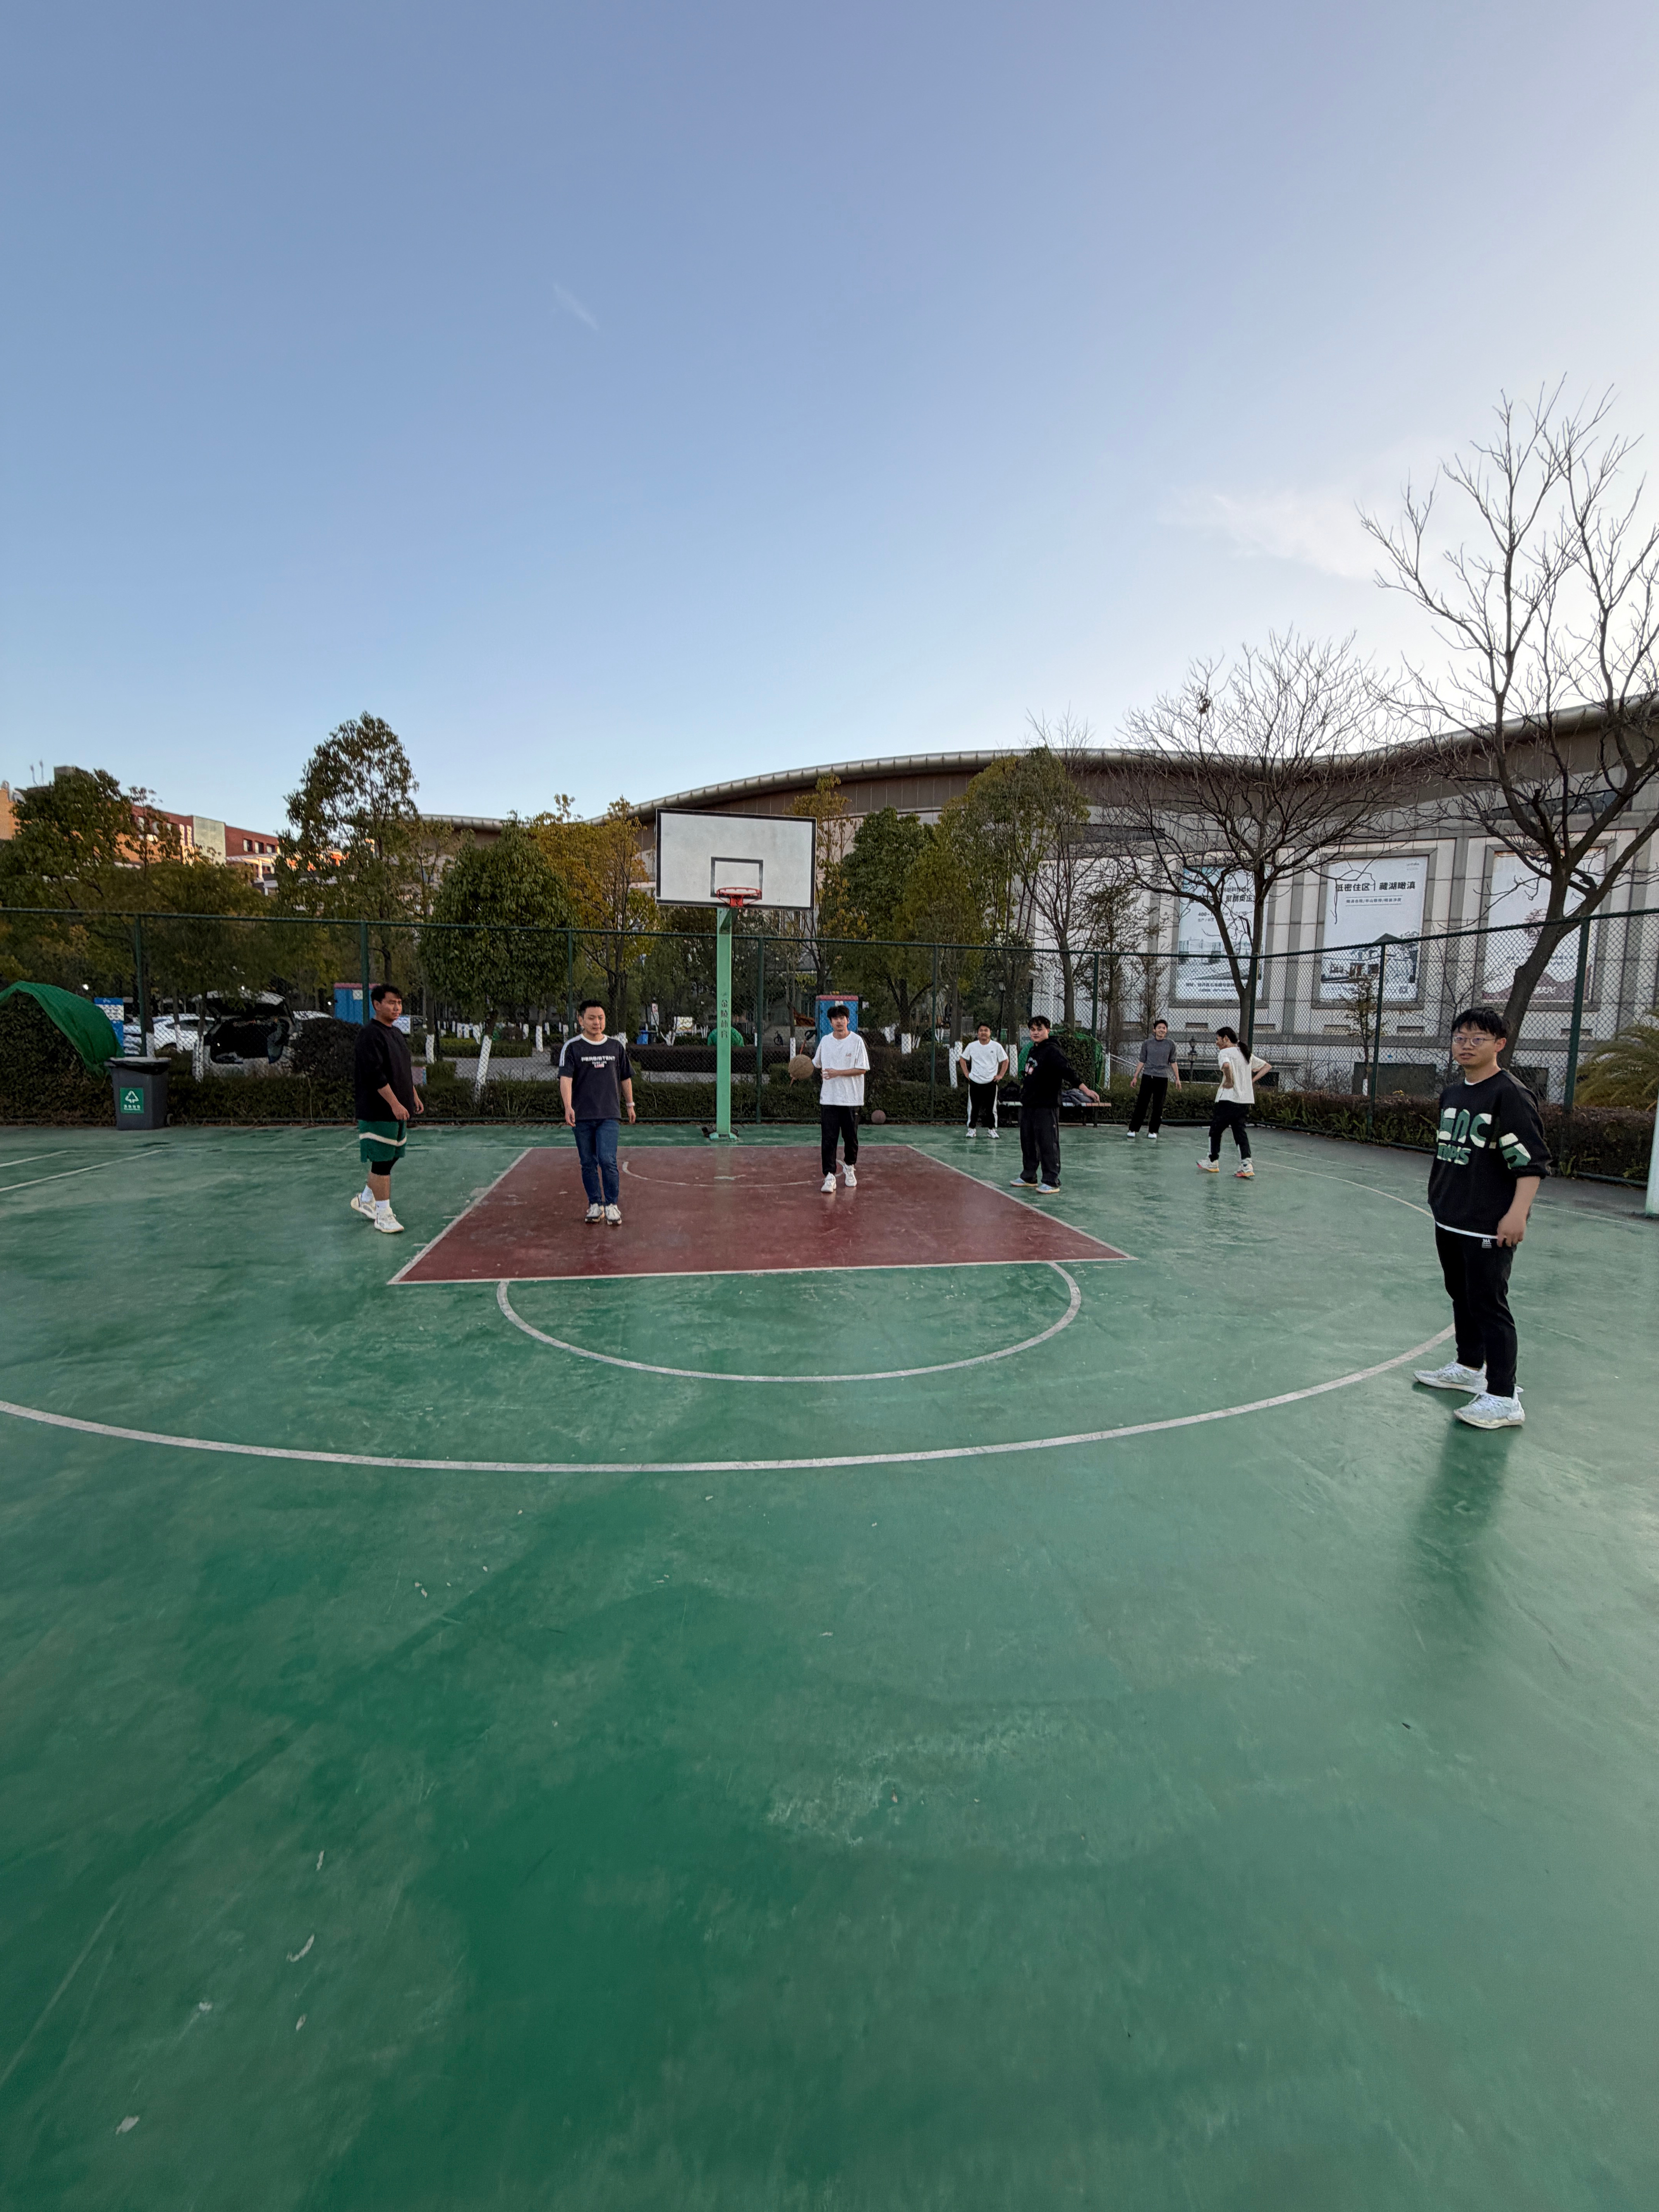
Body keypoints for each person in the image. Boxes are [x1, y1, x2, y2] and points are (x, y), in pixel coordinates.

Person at [1413, 1004, 1549, 1430]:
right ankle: (1469, 1366)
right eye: (1460, 1038)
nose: (1467, 1046)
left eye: (1478, 1039)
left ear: (1499, 1044)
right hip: (1450, 1215)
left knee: (1490, 1303)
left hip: (1489, 1221)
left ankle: (1504, 1397)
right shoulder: (1453, 1094)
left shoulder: (1509, 1094)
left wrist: (1517, 1214)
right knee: (1462, 1294)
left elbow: (1531, 1163)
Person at [351, 982, 423, 1234]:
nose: (397, 1007)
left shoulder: (396, 1034)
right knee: (382, 1163)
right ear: (377, 1004)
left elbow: (402, 1070)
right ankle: (383, 1215)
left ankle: (366, 1198)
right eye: (392, 1003)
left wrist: (412, 1095)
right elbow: (375, 1075)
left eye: (399, 1003)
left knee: (390, 1158)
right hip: (378, 1111)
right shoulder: (369, 1035)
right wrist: (394, 1103)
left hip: (398, 1110)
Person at [558, 1000, 636, 1226]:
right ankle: (595, 1204)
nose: (597, 1022)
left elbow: (626, 1077)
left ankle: (612, 1205)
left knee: (607, 1159)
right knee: (588, 1162)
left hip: (609, 1115)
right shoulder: (572, 1047)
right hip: (582, 1116)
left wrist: (630, 1104)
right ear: (581, 1020)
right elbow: (566, 1078)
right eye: (591, 1018)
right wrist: (568, 1106)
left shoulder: (615, 1047)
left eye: (601, 1018)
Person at [1010, 1016, 1099, 1194]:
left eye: (1040, 1029)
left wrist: (1086, 1090)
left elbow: (1068, 1072)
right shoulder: (1033, 1050)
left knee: (1047, 1143)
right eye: (1033, 1030)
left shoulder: (1053, 1051)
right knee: (1028, 1141)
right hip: (1029, 1104)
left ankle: (1051, 1180)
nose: (1036, 1033)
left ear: (1048, 1031)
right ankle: (1029, 1176)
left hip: (1046, 1105)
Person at [1200, 1026, 1270, 1177]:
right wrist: (1251, 1081)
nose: (1216, 1043)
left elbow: (1226, 1066)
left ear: (1226, 1039)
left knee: (1215, 1131)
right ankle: (1246, 1165)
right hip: (1244, 1102)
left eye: (1218, 1039)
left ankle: (1212, 1161)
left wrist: (1230, 1081)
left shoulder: (1225, 1053)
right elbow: (1267, 1067)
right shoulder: (1246, 1054)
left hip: (1228, 1099)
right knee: (1240, 1132)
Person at [814, 1004, 869, 1192]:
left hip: (851, 1099)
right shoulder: (825, 1041)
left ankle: (850, 1167)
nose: (839, 1021)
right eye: (835, 1019)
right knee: (828, 1140)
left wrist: (837, 1073)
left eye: (842, 1018)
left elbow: (862, 1069)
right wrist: (797, 1071)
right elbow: (816, 1064)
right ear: (831, 1022)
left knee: (851, 1139)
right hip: (829, 1099)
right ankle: (829, 1176)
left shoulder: (857, 1041)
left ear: (848, 1020)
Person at [1124, 1017, 1181, 1139]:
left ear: (1167, 1031)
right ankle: (1133, 1129)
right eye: (1159, 1028)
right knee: (1142, 1103)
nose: (1162, 1030)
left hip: (1162, 1078)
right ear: (1154, 1030)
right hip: (1148, 1077)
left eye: (1164, 1028)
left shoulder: (1171, 1044)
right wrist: (1135, 1077)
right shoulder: (1147, 1043)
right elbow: (1142, 1061)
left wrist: (1178, 1079)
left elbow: (1173, 1062)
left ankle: (1153, 1131)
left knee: (1158, 1106)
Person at [957, 1022, 1009, 1137]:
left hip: (991, 1082)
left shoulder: (996, 1046)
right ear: (978, 1033)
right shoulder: (972, 1046)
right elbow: (962, 1059)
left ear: (990, 1033)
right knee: (974, 1107)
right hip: (975, 1082)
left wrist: (1000, 1075)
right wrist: (967, 1074)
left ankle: (992, 1130)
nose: (983, 1033)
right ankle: (972, 1129)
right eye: (981, 1030)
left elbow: (1005, 1061)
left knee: (991, 1108)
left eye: (986, 1030)